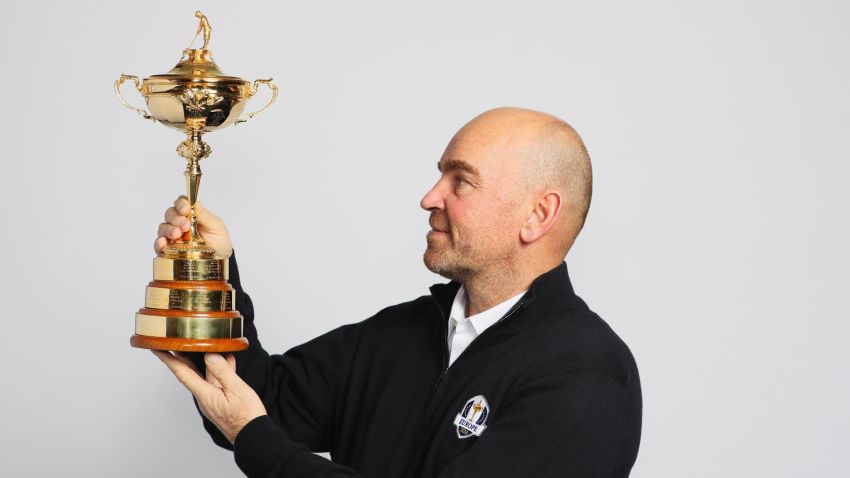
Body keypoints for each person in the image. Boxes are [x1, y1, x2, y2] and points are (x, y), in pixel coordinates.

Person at [153, 107, 642, 477]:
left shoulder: (587, 376)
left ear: (537, 216)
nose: (429, 198)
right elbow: (267, 403)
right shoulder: (400, 332)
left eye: (461, 181)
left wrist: (257, 442)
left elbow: (256, 427)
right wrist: (210, 273)